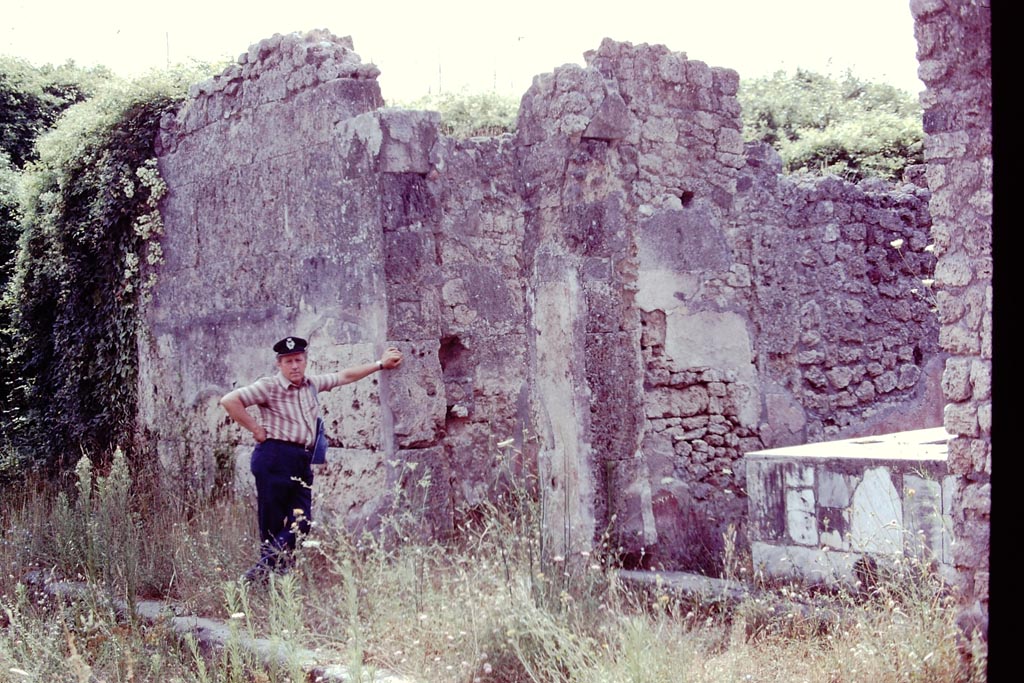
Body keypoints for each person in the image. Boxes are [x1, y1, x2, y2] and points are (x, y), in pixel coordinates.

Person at [220, 336, 402, 583]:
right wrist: (255, 429)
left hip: (301, 459)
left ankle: (259, 576)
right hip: (274, 457)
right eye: (288, 361)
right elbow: (230, 401)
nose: (294, 366)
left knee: (302, 521)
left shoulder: (311, 385)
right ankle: (273, 580)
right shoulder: (269, 386)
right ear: (279, 364)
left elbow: (344, 376)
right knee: (272, 524)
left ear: (305, 361)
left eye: (298, 360)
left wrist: (380, 364)